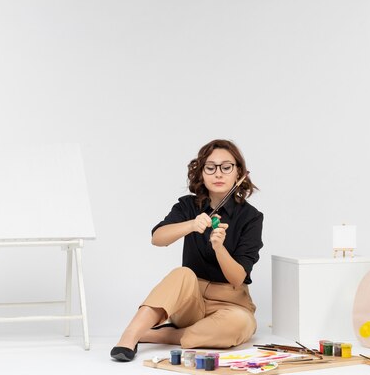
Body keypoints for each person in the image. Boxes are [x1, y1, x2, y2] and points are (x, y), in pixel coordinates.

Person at [110, 139, 263, 362]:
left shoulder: (251, 217)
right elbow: (157, 238)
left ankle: (159, 335)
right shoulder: (187, 206)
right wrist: (191, 225)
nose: (218, 174)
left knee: (241, 324)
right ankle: (130, 336)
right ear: (201, 172)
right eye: (210, 167)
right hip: (190, 301)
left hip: (230, 304)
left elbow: (238, 278)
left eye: (226, 167)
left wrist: (219, 248)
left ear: (238, 172)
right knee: (182, 273)